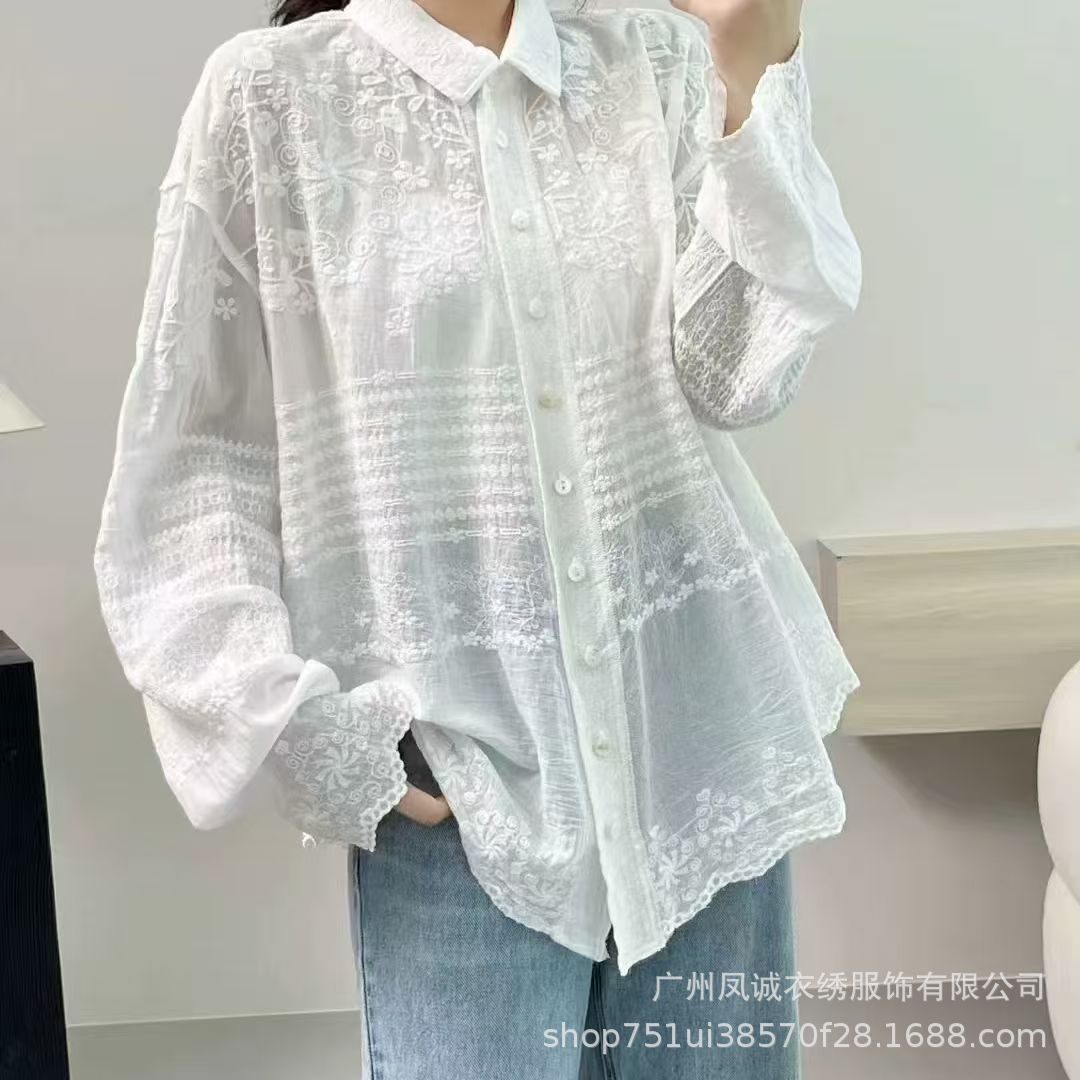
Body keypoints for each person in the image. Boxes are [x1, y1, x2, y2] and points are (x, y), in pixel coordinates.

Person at [93, 0, 861, 1075]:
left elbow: (738, 378)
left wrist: (747, 75)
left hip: (695, 747)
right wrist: (301, 727)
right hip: (460, 784)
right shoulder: (272, 95)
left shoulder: (649, 61)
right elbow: (196, 465)